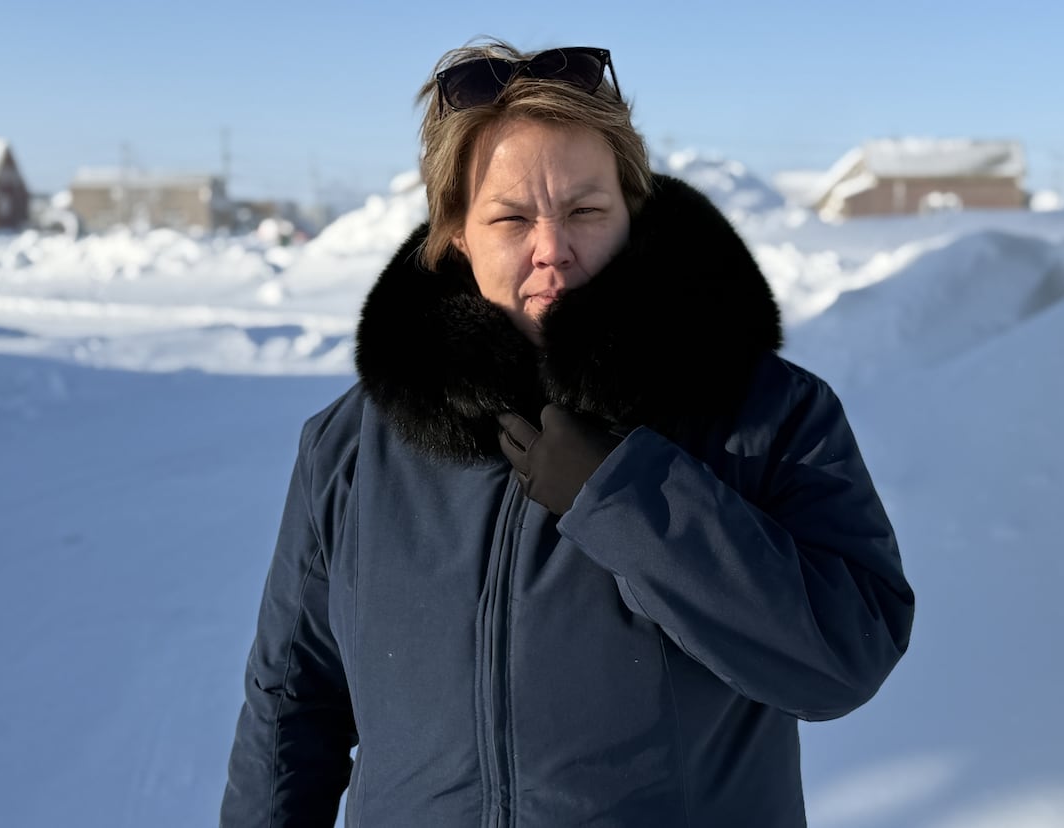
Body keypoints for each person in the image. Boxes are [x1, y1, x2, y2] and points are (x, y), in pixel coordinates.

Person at [221, 40, 914, 827]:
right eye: (511, 218)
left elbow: (845, 658)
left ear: (631, 211)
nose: (552, 248)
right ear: (455, 233)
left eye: (585, 210)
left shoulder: (762, 415)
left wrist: (629, 500)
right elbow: (291, 706)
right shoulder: (351, 449)